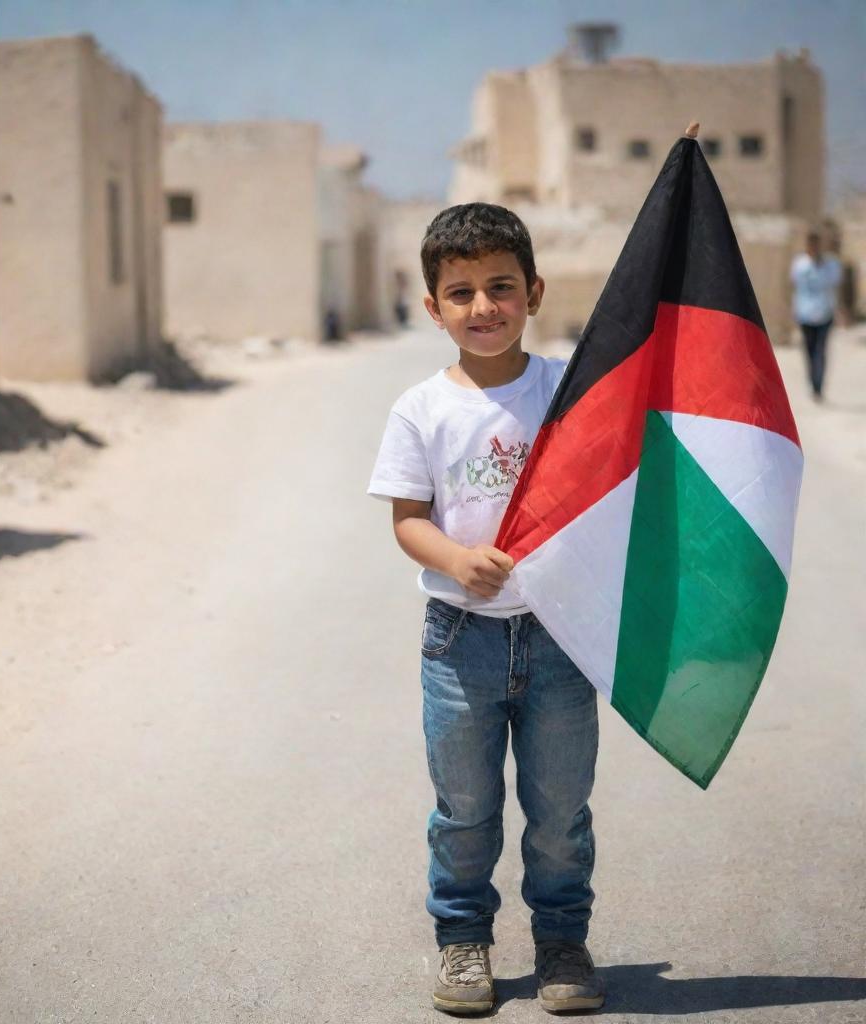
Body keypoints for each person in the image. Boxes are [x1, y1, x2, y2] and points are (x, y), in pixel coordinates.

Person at [367, 203, 604, 1016]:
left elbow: (612, 481)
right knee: (464, 809)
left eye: (501, 287)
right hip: (458, 642)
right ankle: (462, 941)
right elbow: (406, 520)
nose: (483, 307)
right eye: (460, 292)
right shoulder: (421, 409)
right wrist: (458, 560)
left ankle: (563, 941)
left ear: (533, 291)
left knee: (560, 808)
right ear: (433, 308)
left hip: (560, 636)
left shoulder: (570, 388)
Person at [791, 230, 842, 401]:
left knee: (821, 351)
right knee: (809, 352)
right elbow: (794, 287)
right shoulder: (800, 265)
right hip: (805, 314)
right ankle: (813, 382)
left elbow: (836, 288)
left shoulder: (831, 265)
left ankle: (818, 387)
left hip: (825, 314)